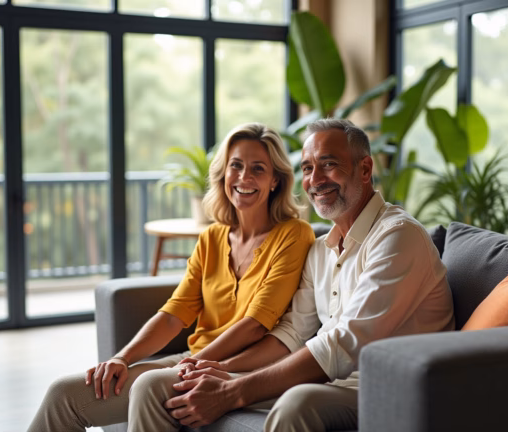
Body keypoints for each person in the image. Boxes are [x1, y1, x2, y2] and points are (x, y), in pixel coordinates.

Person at [162, 118, 455, 431]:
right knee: (162, 387)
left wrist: (232, 390)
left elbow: (345, 342)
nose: (315, 179)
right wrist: (222, 370)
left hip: (392, 390)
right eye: (306, 167)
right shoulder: (319, 251)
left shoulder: (398, 236)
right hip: (331, 384)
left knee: (297, 404)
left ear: (365, 169)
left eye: (328, 164)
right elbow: (292, 333)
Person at [27, 123, 315, 432]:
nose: (244, 177)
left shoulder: (294, 234)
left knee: (149, 383)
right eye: (236, 165)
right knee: (63, 395)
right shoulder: (212, 238)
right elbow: (173, 315)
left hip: (241, 367)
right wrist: (122, 358)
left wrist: (191, 363)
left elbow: (255, 325)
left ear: (275, 181)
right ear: (223, 173)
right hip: (194, 356)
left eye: (258, 169)